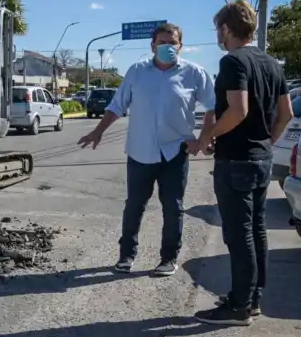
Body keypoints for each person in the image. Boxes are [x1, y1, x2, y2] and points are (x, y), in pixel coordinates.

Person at [77, 23, 216, 277]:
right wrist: (98, 131)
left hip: (175, 152)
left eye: (172, 43)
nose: (167, 47)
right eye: (162, 42)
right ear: (152, 45)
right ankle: (126, 256)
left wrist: (203, 140)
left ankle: (168, 258)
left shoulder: (195, 73)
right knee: (134, 205)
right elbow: (117, 106)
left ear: (180, 46)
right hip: (140, 152)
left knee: (173, 207)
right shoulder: (137, 71)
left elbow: (211, 108)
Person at [193, 0, 292, 326]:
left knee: (240, 235)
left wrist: (208, 138)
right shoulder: (272, 63)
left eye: (217, 30)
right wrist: (266, 144)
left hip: (236, 161)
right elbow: (286, 114)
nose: (217, 36)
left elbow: (238, 111)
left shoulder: (233, 62)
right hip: (261, 159)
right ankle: (252, 300)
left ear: (225, 29)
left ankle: (238, 306)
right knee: (257, 231)